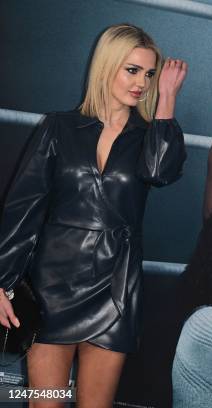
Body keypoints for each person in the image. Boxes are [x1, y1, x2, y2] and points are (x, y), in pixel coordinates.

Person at [0, 24, 187, 406]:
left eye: (150, 74)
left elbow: (160, 172)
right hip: (50, 290)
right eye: (132, 70)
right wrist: (2, 280)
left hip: (115, 292)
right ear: (107, 66)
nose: (142, 83)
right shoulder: (59, 127)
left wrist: (166, 100)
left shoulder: (150, 136)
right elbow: (23, 209)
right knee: (45, 402)